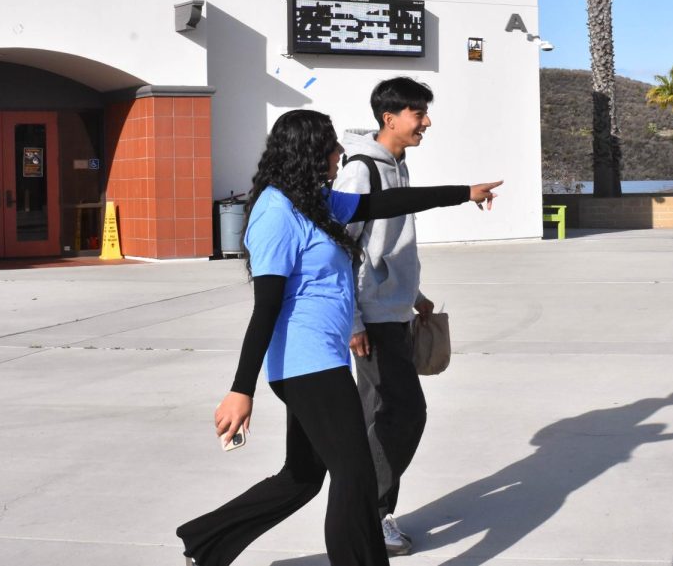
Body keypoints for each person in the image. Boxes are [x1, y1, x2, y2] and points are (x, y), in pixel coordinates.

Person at [176, 109, 500, 566]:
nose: (339, 153)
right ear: (308, 152)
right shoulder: (275, 212)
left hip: (321, 360)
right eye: (331, 146)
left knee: (303, 477)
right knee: (356, 476)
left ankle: (205, 541)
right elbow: (265, 307)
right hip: (307, 364)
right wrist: (239, 390)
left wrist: (462, 194)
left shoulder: (316, 203)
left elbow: (385, 205)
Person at [332, 77, 434, 555]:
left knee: (389, 415)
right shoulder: (360, 171)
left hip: (391, 309)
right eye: (418, 114)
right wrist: (353, 320)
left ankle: (372, 512)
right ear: (389, 117)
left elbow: (385, 244)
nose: (426, 122)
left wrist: (414, 293)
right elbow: (341, 247)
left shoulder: (398, 165)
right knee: (398, 413)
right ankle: (368, 516)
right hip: (370, 319)